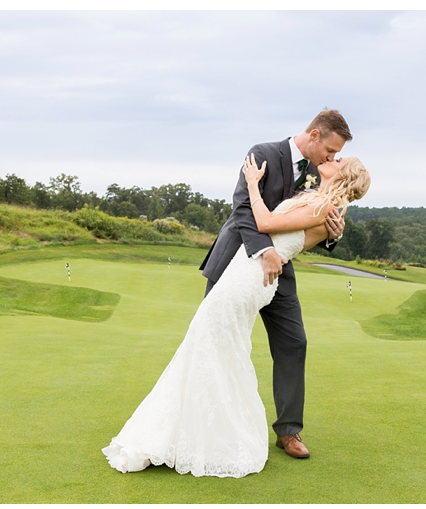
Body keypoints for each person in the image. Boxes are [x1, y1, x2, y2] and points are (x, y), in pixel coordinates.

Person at [102, 153, 370, 478]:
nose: (333, 157)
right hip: (244, 268)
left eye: (340, 159)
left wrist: (253, 184)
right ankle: (195, 428)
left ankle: (220, 434)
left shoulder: (324, 208)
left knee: (213, 342)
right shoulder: (316, 198)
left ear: (343, 176)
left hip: (250, 277)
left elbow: (266, 224)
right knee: (211, 344)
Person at [199, 109, 352, 459]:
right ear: (314, 135)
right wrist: (264, 249)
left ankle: (289, 431)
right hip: (236, 262)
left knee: (294, 343)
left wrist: (332, 236)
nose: (332, 159)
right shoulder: (264, 153)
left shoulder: (322, 173)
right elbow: (242, 209)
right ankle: (209, 422)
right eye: (329, 151)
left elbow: (312, 224)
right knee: (215, 338)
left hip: (279, 270)